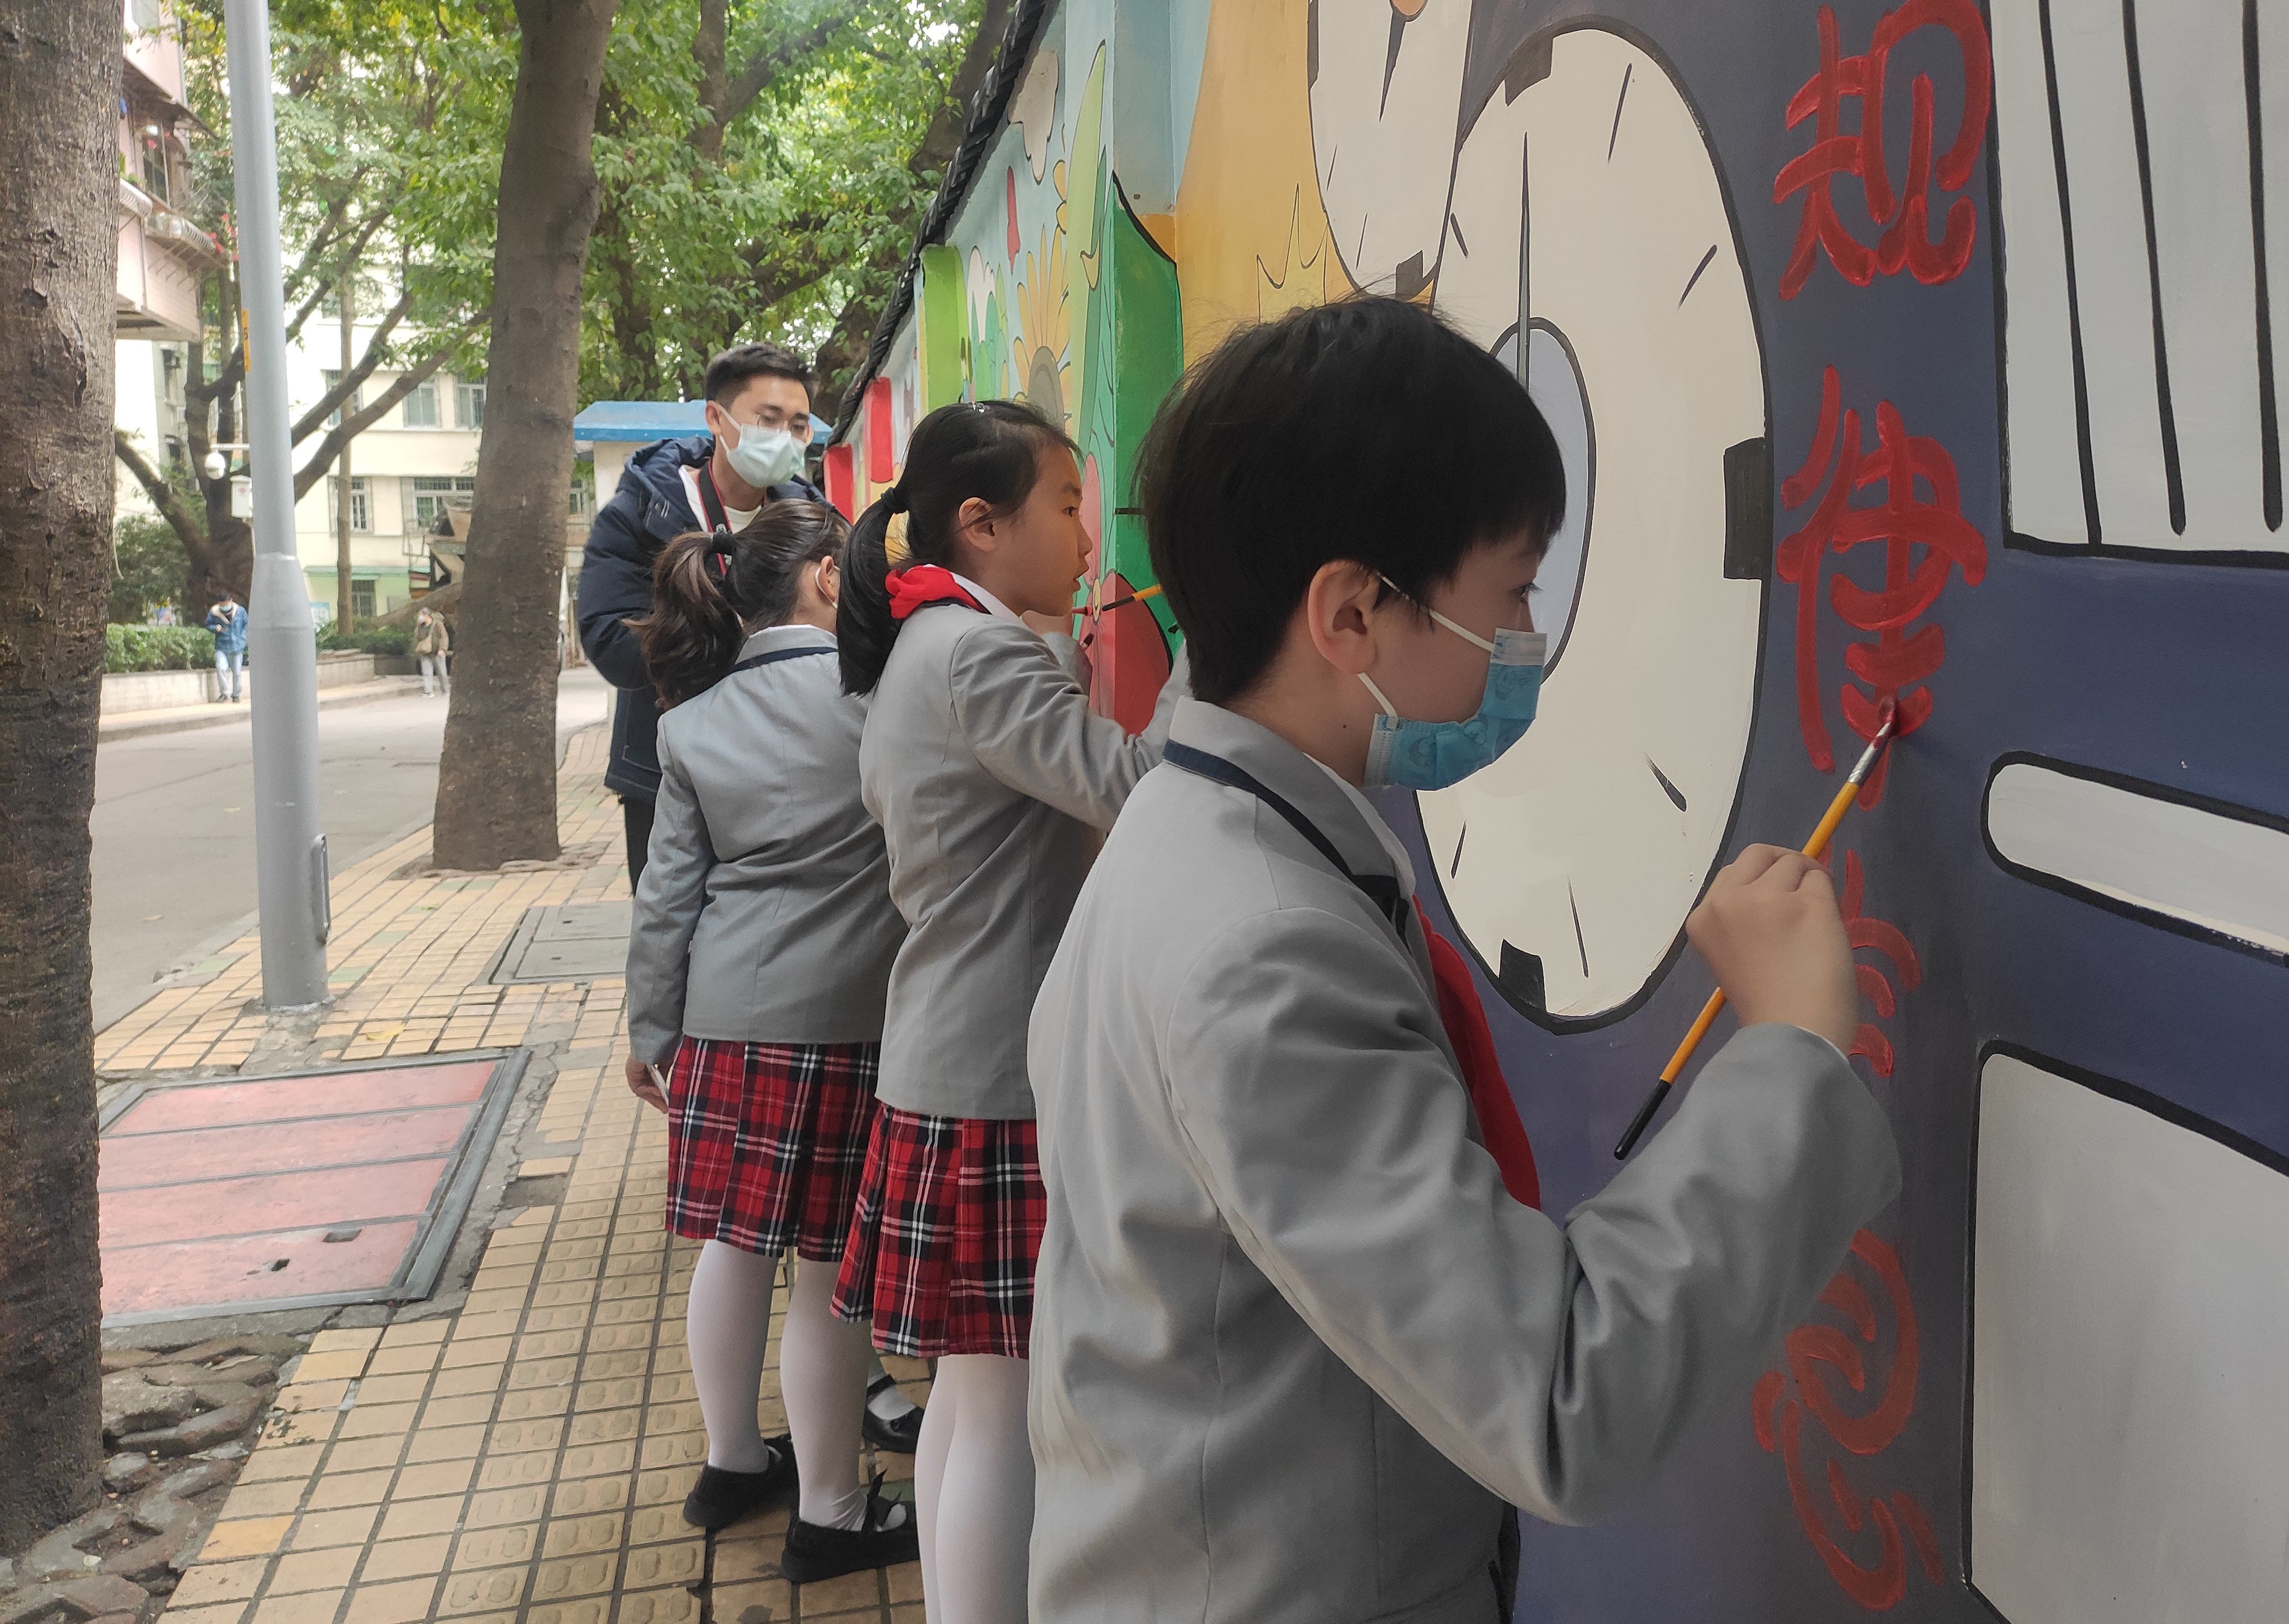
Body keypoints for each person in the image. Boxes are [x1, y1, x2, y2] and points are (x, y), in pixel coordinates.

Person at [1024, 297, 1904, 1624]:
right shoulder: (1260, 947)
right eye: (1510, 593)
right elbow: (1558, 1392)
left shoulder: (1185, 824)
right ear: (1352, 614)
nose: (1527, 641)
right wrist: (1784, 1051)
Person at [830, 400, 1186, 1624]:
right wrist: (1221, 639)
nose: (1088, 534)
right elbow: (1133, 783)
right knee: (998, 1404)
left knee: (971, 1398)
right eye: (1069, 505)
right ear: (982, 525)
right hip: (990, 1068)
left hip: (950, 1056)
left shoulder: (934, 644)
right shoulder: (976, 656)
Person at [623, 500, 926, 1584]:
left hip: (718, 1021)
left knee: (732, 1246)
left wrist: (649, 1031)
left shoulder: (690, 722)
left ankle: (732, 1463)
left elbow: (668, 897)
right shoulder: (879, 697)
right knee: (828, 1274)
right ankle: (833, 1514)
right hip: (844, 1024)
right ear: (824, 581)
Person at [577, 342, 824, 890]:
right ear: (717, 417)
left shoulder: (815, 522)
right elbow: (610, 642)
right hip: (667, 774)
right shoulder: (639, 515)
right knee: (673, 935)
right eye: (769, 419)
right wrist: (733, 634)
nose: (785, 436)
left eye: (799, 425)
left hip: (790, 768)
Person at [203, 590, 248, 702]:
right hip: (222, 646)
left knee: (237, 671)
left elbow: (246, 625)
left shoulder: (240, 611)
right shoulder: (214, 612)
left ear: (230, 601)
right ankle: (224, 693)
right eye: (221, 605)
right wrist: (215, 628)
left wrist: (242, 638)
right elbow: (208, 625)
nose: (224, 607)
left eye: (225, 604)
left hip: (237, 647)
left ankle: (236, 695)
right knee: (221, 668)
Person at [411, 606, 451, 695]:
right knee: (426, 673)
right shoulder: (420, 627)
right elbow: (417, 638)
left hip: (438, 652)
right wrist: (417, 649)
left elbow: (444, 637)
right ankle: (428, 691)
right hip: (425, 653)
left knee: (442, 673)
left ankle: (445, 691)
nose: (419, 617)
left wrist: (442, 649)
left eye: (421, 615)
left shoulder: (437, 624)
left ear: (427, 615)